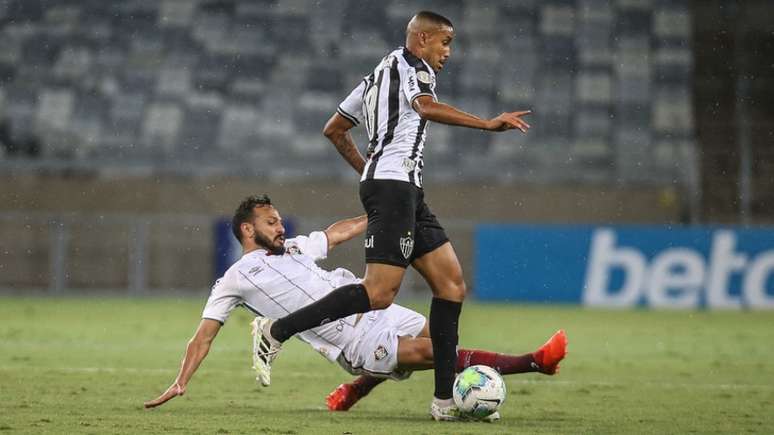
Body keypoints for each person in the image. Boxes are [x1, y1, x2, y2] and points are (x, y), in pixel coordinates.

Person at [251, 11, 533, 421]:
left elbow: (334, 128)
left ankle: (443, 402)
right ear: (421, 39)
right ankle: (276, 330)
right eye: (444, 42)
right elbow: (426, 107)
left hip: (401, 187)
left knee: (452, 286)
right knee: (379, 292)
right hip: (395, 187)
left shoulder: (376, 76)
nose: (447, 52)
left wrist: (369, 169)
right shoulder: (413, 68)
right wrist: (487, 125)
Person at [144, 195, 567, 421]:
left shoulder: (293, 247)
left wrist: (378, 214)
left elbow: (334, 234)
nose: (281, 227)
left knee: (440, 334)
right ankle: (536, 362)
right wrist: (181, 380)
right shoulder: (234, 278)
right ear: (247, 229)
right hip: (355, 340)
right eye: (271, 222)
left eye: (279, 220)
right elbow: (204, 334)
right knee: (438, 355)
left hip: (375, 310)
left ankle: (354, 391)